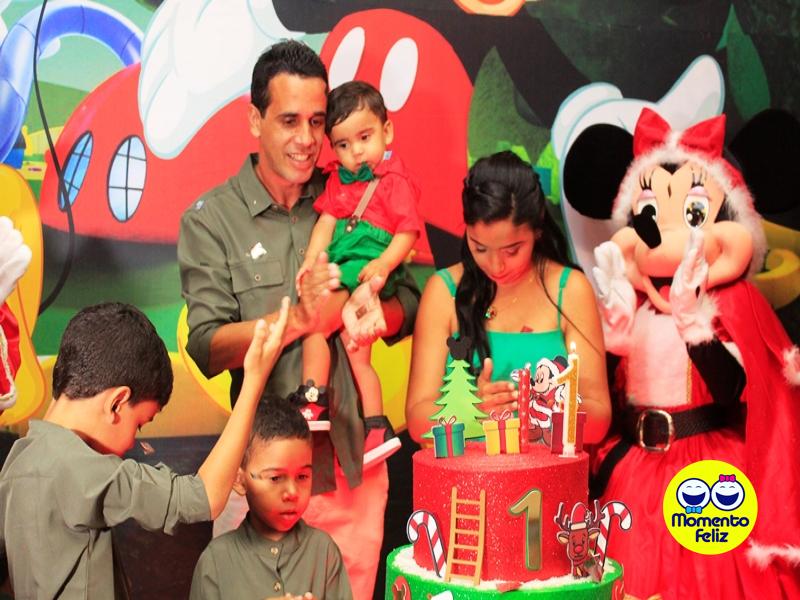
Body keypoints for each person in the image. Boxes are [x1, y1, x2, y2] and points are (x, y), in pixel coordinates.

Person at [177, 40, 419, 600]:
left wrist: (365, 312)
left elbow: (408, 302)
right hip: (260, 474)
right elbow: (208, 347)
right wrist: (302, 321)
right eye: (289, 120)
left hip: (354, 468)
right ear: (254, 120)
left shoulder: (353, 190)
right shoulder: (212, 220)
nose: (307, 139)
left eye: (316, 121)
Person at [0, 298, 288, 598]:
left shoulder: (17, 462)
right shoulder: (85, 471)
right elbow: (205, 497)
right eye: (139, 424)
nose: (131, 443)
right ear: (117, 403)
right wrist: (253, 381)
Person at [406, 151, 611, 445]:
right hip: (468, 474)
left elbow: (599, 419)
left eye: (512, 250)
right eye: (479, 248)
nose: (496, 266)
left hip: (550, 471)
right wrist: (471, 411)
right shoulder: (444, 291)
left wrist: (550, 409)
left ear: (537, 229)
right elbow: (417, 419)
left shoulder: (569, 289)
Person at [297, 80, 421, 465]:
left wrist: (384, 264)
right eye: (343, 145)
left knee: (315, 326)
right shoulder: (339, 180)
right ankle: (377, 427)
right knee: (356, 353)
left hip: (366, 267)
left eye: (364, 138)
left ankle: (312, 399)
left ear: (387, 131)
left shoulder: (394, 181)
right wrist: (311, 260)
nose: (356, 152)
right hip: (345, 266)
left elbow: (407, 231)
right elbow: (325, 222)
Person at [190, 395, 351, 600]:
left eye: (302, 476)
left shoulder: (324, 551)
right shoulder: (216, 560)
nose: (292, 492)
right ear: (238, 480)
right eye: (275, 478)